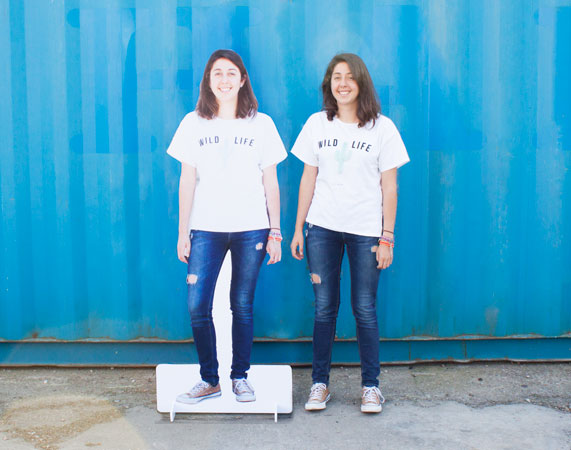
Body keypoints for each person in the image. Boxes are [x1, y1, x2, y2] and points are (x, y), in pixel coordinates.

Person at [290, 53, 409, 413]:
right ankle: (319, 384)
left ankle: (371, 387)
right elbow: (308, 178)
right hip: (322, 228)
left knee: (364, 309)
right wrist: (298, 229)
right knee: (324, 308)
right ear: (329, 84)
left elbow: (390, 187)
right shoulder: (317, 124)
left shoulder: (382, 128)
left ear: (361, 83)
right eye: (336, 77)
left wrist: (387, 236)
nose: (342, 84)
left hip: (366, 231)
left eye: (349, 77)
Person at [167, 49, 287, 404]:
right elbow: (187, 180)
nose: (224, 79)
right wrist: (183, 232)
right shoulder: (193, 123)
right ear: (208, 80)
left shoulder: (261, 124)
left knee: (242, 304)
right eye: (217, 73)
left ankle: (239, 377)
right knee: (197, 305)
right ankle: (210, 379)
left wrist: (275, 231)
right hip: (205, 228)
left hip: (252, 228)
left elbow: (271, 182)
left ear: (242, 79)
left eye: (231, 73)